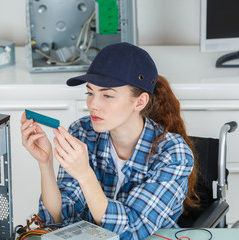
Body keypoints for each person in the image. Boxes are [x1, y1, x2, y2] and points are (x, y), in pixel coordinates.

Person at [20, 42, 198, 239]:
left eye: (107, 95)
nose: (93, 104)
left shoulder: (173, 153)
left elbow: (131, 231)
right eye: (90, 92)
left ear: (140, 102)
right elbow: (58, 218)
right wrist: (45, 163)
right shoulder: (82, 132)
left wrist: (85, 175)